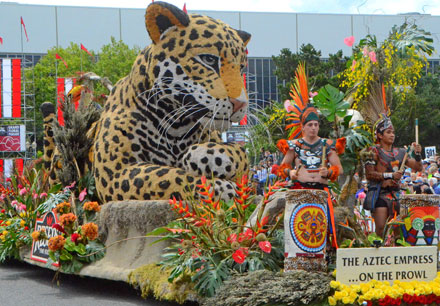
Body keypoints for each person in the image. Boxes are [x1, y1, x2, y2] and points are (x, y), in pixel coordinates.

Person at [364, 114, 422, 237]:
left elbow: (418, 167)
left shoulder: (401, 152)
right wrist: (390, 175)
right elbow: (369, 174)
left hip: (396, 194)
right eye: (388, 132)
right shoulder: (373, 151)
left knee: (398, 230)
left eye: (393, 132)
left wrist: (417, 154)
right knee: (381, 229)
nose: (392, 135)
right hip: (380, 193)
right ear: (380, 135)